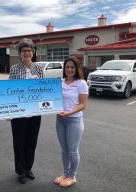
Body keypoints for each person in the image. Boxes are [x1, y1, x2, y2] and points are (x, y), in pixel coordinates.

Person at [9, 38, 43, 184]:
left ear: (33, 52)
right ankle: (20, 171)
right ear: (20, 53)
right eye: (24, 51)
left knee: (31, 141)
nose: (27, 53)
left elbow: (42, 90)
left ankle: (28, 168)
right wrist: (9, 111)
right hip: (19, 112)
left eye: (29, 50)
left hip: (35, 112)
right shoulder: (14, 69)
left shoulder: (38, 68)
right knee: (19, 142)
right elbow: (10, 92)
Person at [54, 56, 88, 187]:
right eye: (67, 67)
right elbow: (50, 96)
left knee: (72, 150)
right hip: (60, 120)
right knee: (64, 149)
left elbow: (82, 104)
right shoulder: (60, 82)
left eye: (72, 67)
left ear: (77, 68)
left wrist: (69, 112)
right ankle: (65, 173)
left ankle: (72, 176)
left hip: (74, 120)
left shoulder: (81, 83)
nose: (69, 69)